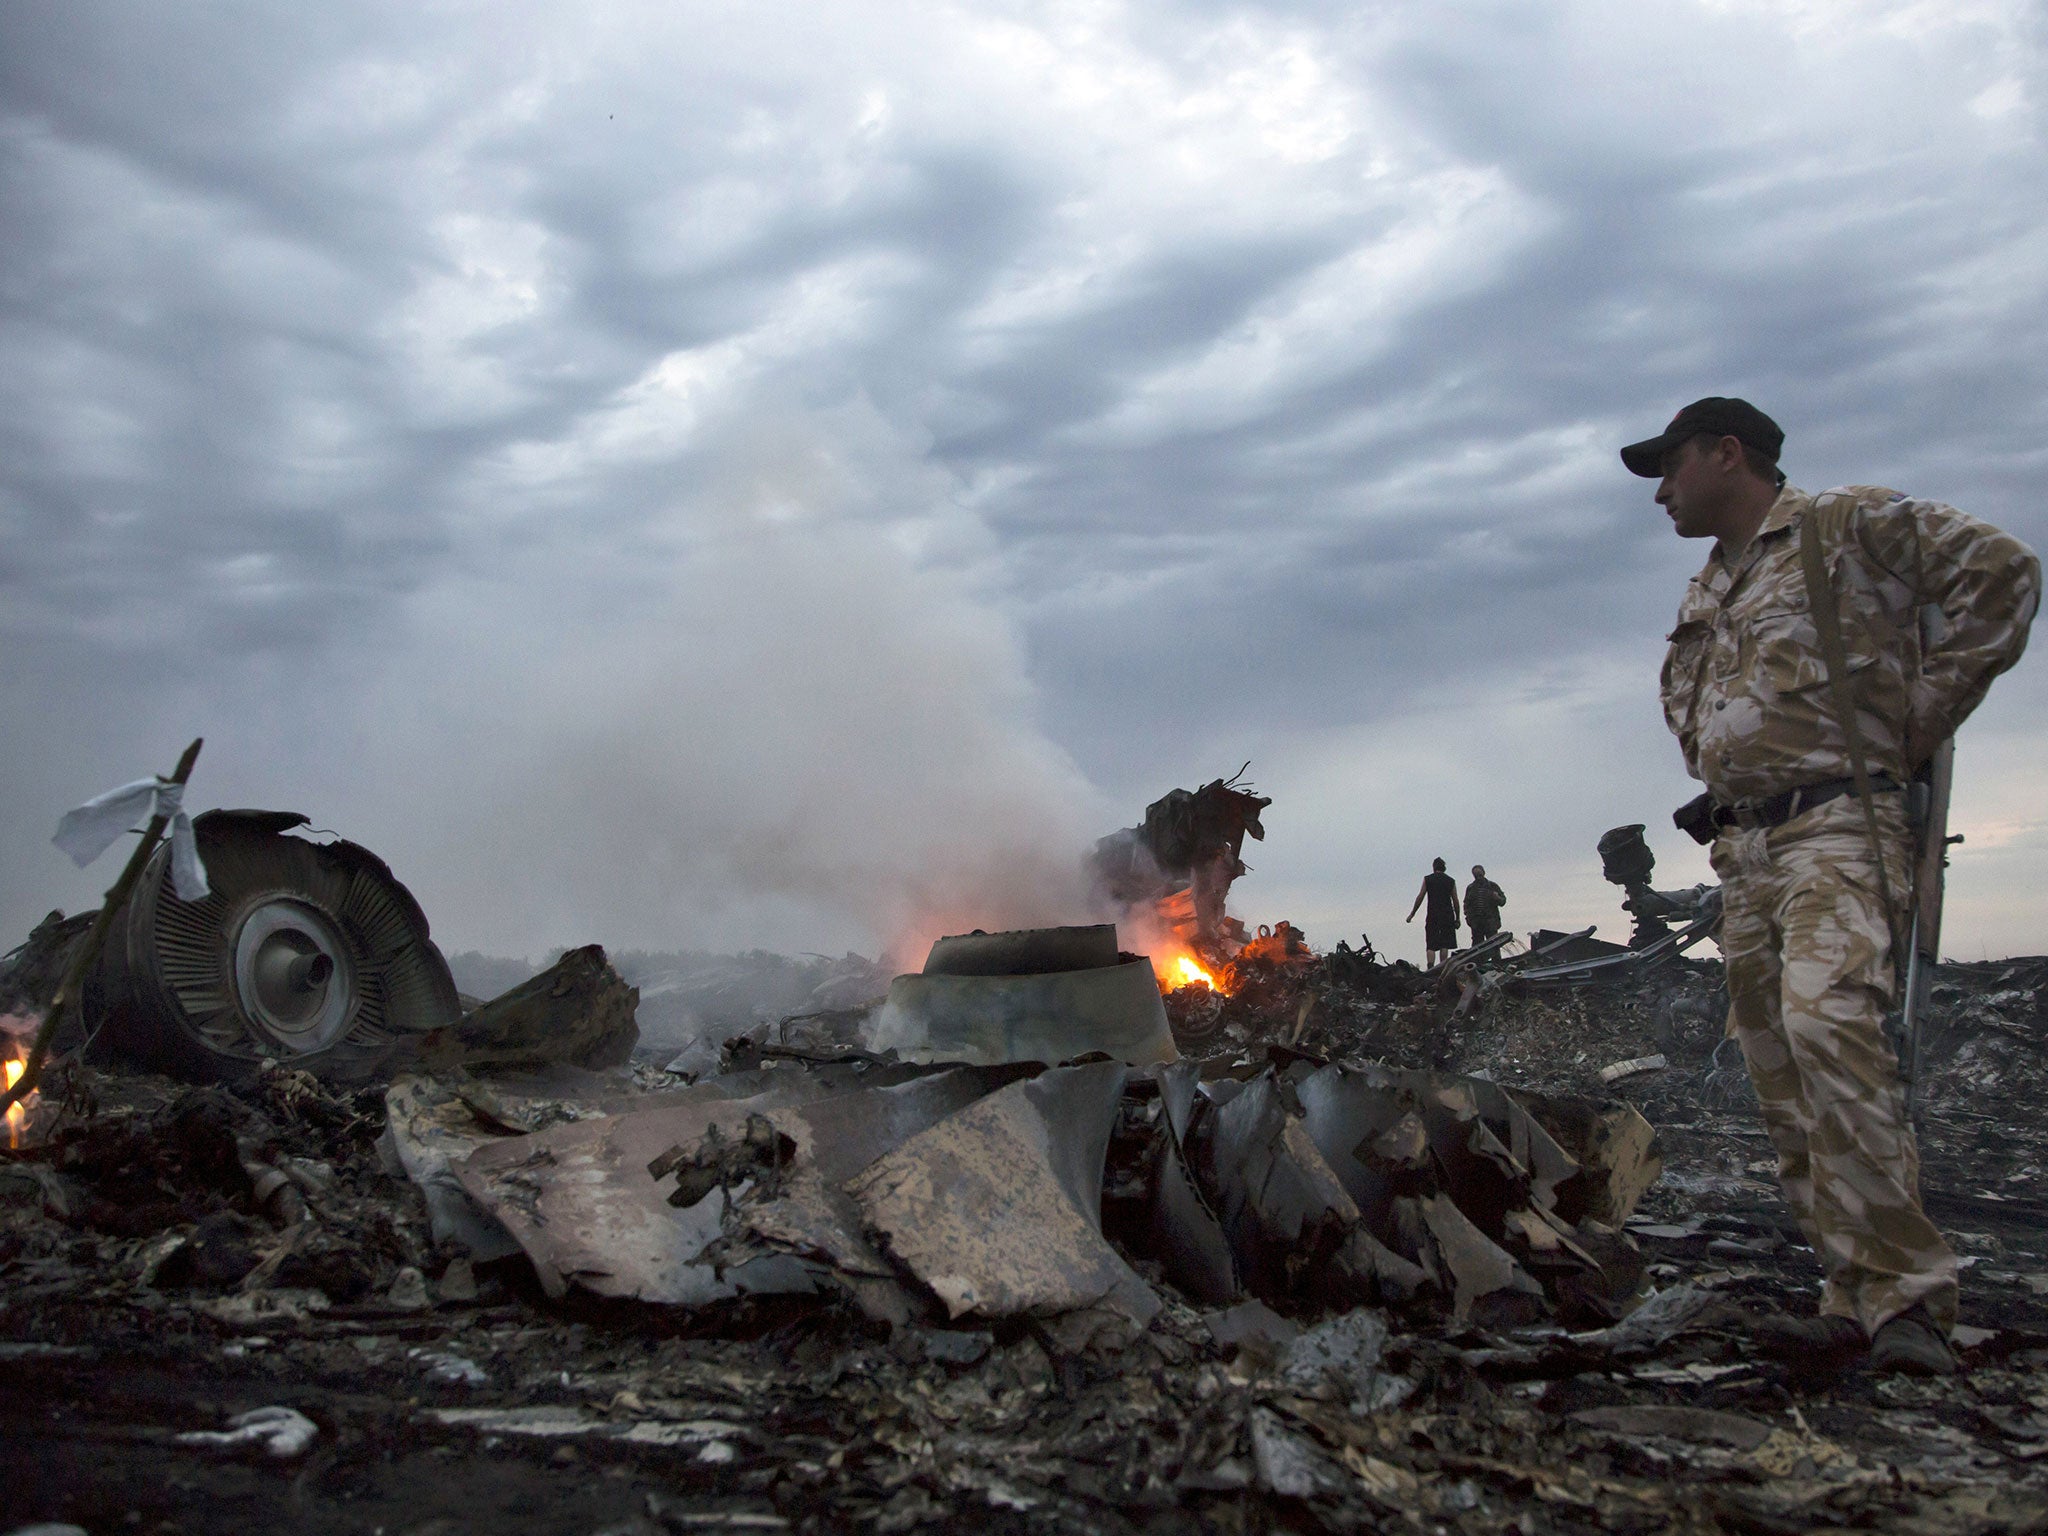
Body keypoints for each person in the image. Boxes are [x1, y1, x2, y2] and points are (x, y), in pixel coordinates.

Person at [1624, 396, 2039, 1376]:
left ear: (1727, 454)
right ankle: (1848, 1293)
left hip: (1834, 831)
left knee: (1830, 1033)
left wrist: (1918, 716)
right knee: (1781, 1068)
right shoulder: (1709, 584)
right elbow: (1703, 711)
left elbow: (2003, 575)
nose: (1658, 490)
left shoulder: (1844, 526)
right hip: (1747, 852)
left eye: (1670, 465)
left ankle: (1905, 1298)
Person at [1405, 858, 1460, 966]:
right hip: (1447, 914)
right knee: (1444, 943)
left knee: (1431, 942)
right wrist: (1457, 918)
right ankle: (1443, 966)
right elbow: (1455, 900)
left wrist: (1412, 913)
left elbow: (1420, 896)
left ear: (1434, 867)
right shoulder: (1450, 881)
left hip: (1432, 913)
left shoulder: (1428, 879)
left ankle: (1430, 965)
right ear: (1444, 868)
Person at [1463, 865, 1507, 944]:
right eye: (1476, 876)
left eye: (1480, 875)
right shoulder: (1470, 888)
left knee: (1494, 945)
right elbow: (1466, 904)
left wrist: (1497, 898)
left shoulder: (1492, 886)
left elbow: (1503, 901)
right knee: (1477, 947)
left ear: (1484, 873)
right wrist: (1469, 919)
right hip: (1476, 923)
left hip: (1490, 921)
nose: (1479, 878)